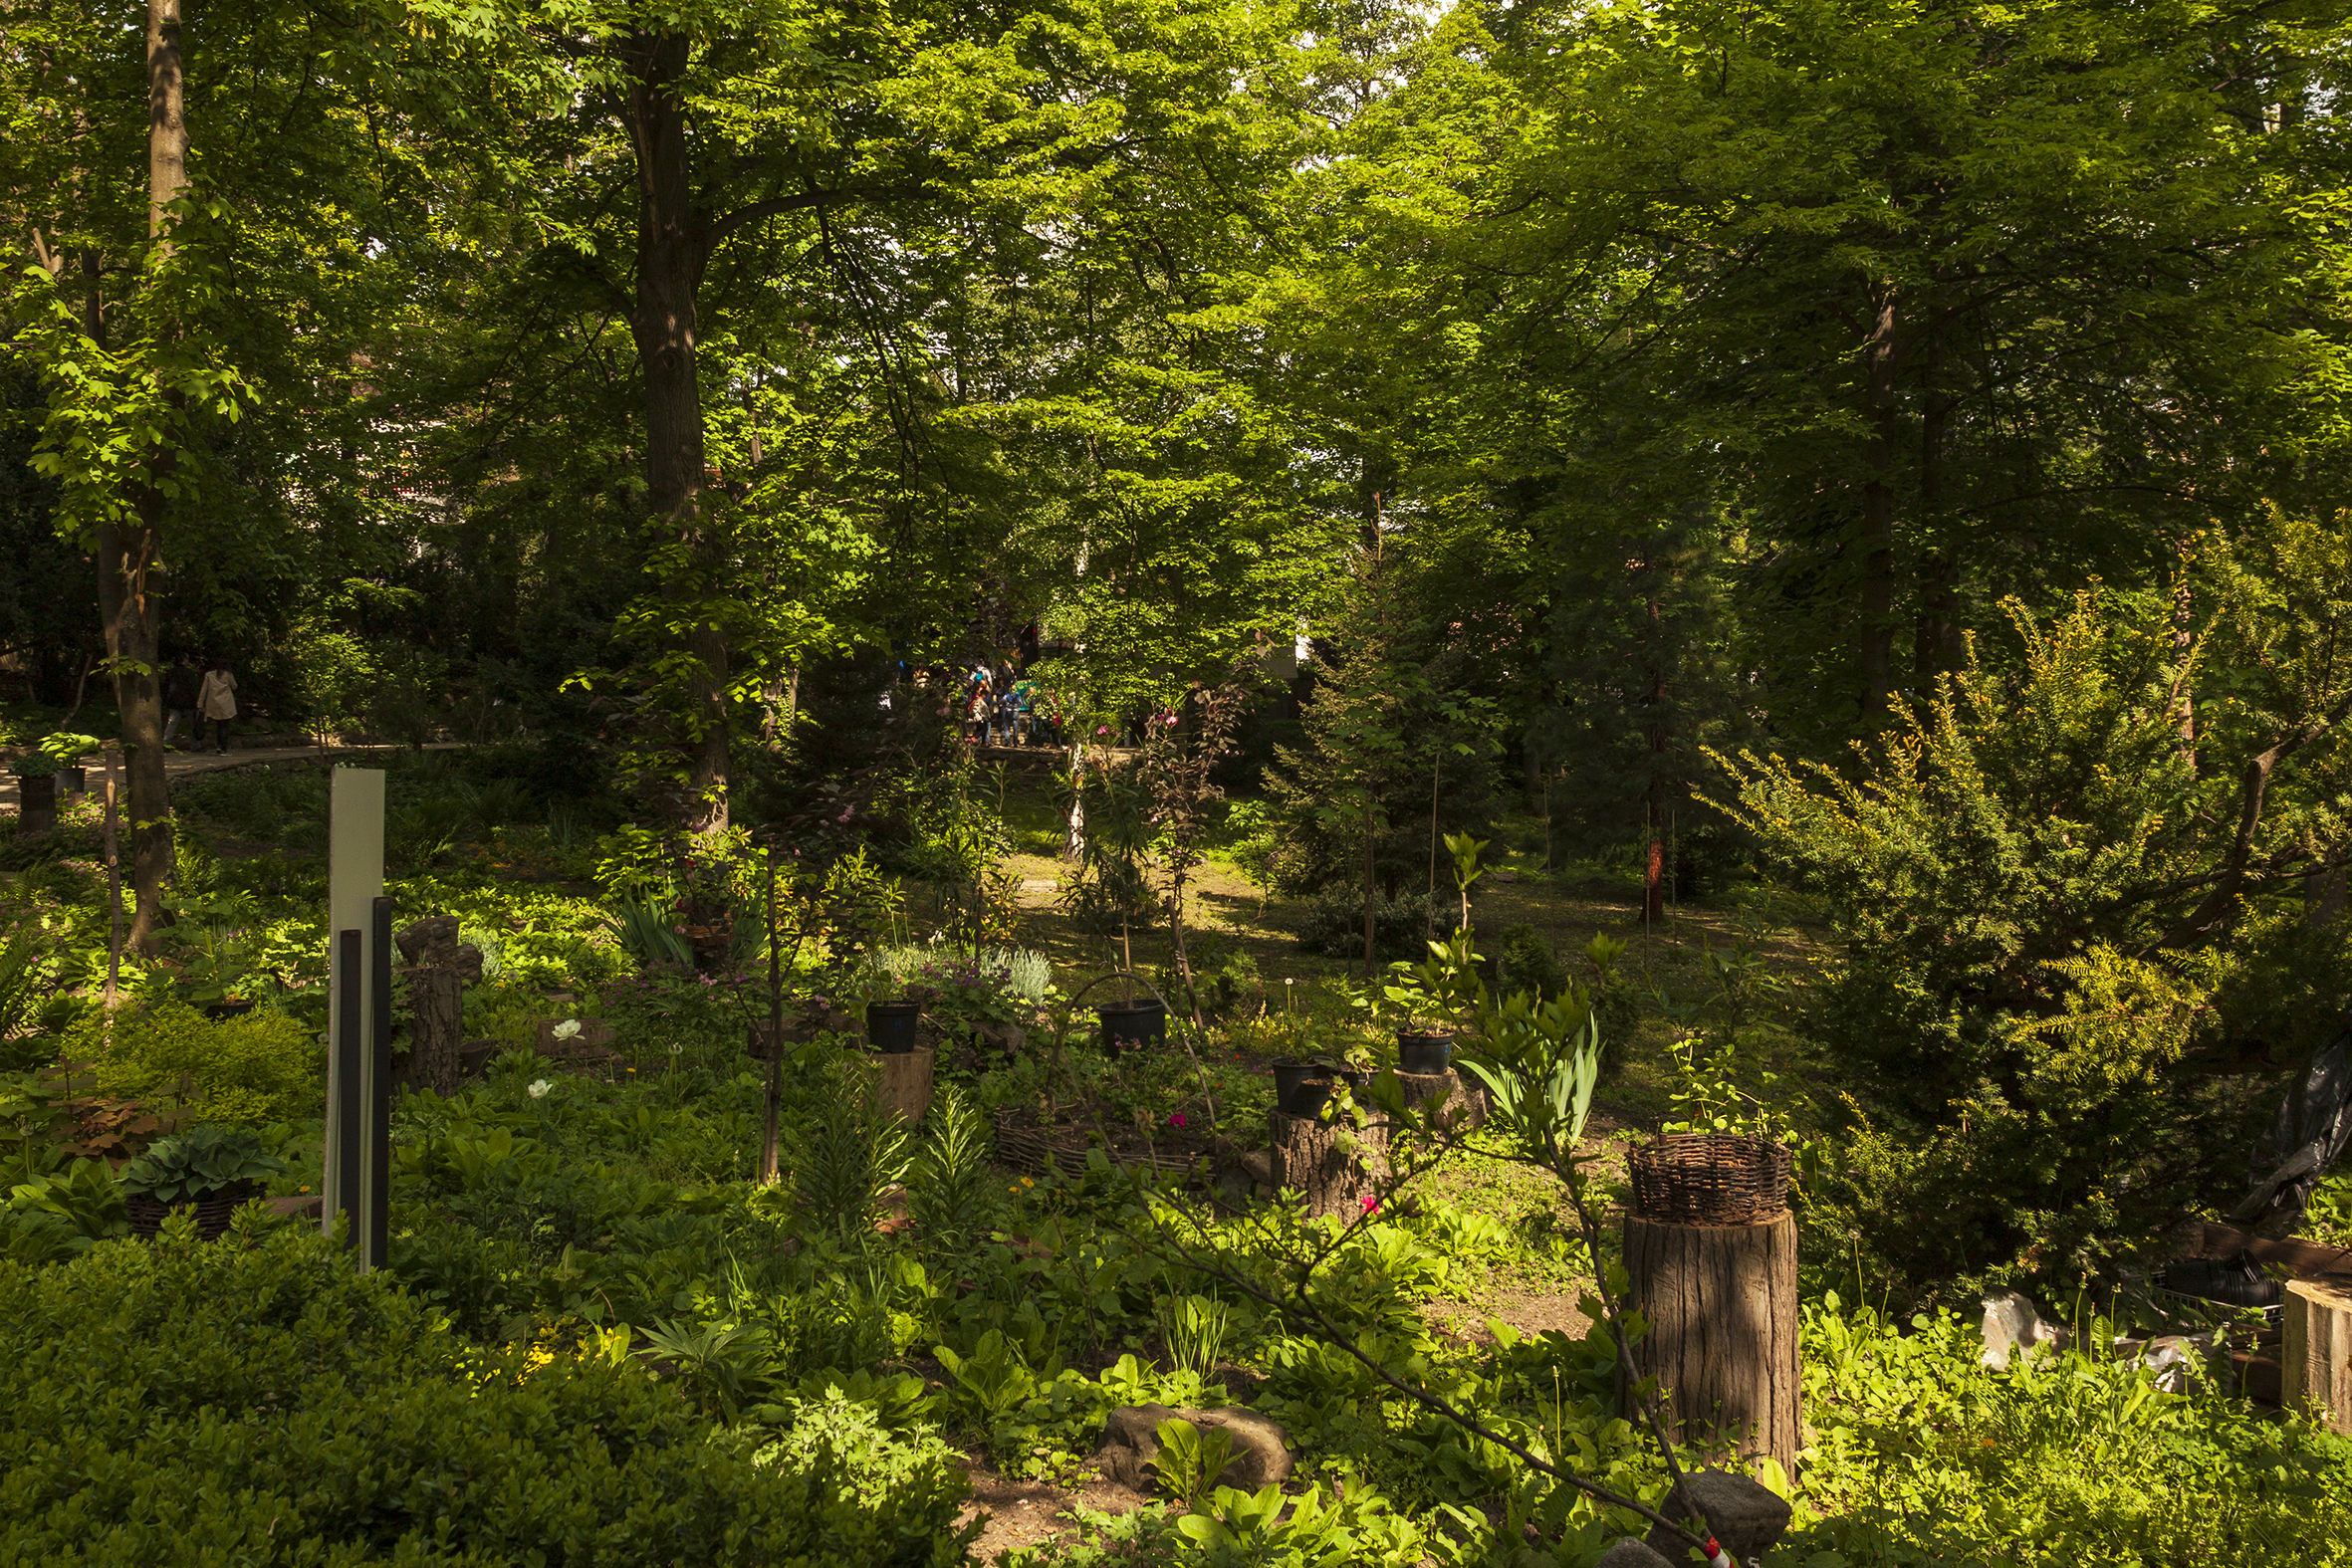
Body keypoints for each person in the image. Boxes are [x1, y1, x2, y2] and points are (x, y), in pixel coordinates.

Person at [196, 656, 237, 756]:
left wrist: (200, 703)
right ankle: (223, 748)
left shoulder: (209, 675)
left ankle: (219, 746)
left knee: (218, 725)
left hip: (213, 703)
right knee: (225, 726)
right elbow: (234, 686)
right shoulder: (228, 675)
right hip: (226, 703)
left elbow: (204, 690)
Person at [161, 652, 200, 749]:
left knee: (172, 723)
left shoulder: (170, 672)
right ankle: (195, 745)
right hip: (189, 702)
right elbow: (193, 688)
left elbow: (165, 687)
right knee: (193, 724)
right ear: (184, 660)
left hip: (174, 702)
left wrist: (165, 700)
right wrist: (197, 701)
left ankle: (166, 743)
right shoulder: (189, 673)